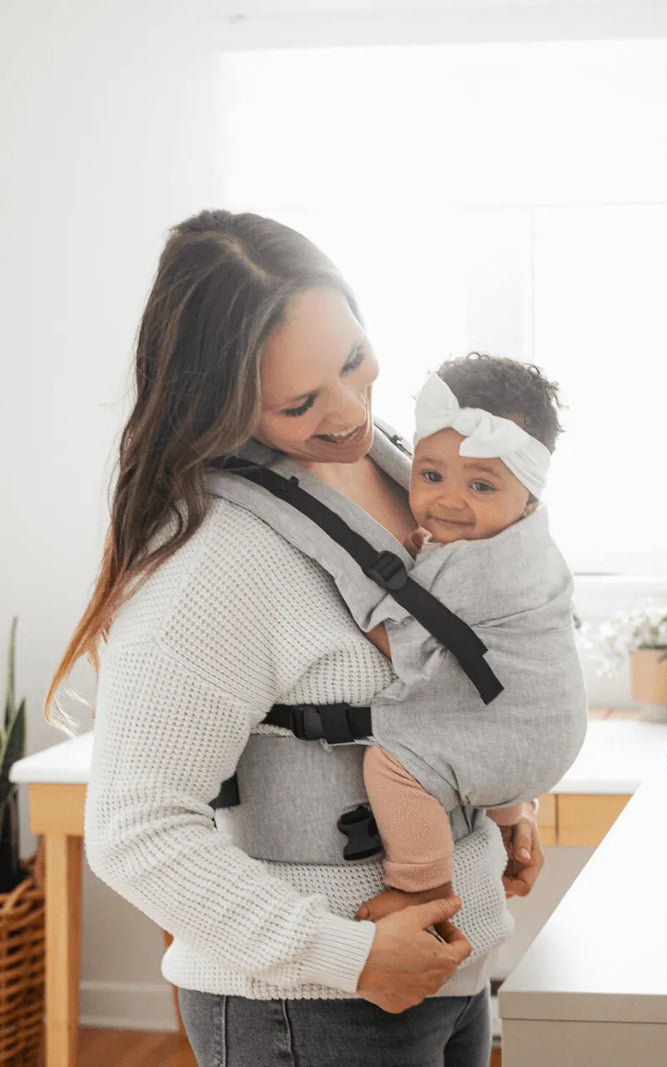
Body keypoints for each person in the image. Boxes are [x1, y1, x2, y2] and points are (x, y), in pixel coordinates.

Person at [46, 210, 545, 1066]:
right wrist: (348, 957)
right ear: (224, 403)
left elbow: (435, 670)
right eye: (301, 401)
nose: (350, 410)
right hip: (313, 1010)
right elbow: (135, 827)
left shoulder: (397, 465)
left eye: (354, 360)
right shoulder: (211, 563)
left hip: (452, 973)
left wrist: (501, 799)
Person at [358, 355, 586, 920]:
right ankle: (508, 814)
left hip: (517, 737)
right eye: (431, 476)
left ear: (528, 496)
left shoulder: (474, 568)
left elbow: (399, 643)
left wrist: (362, 611)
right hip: (547, 727)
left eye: (480, 485)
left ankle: (422, 887)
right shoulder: (529, 544)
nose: (449, 501)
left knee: (392, 762)